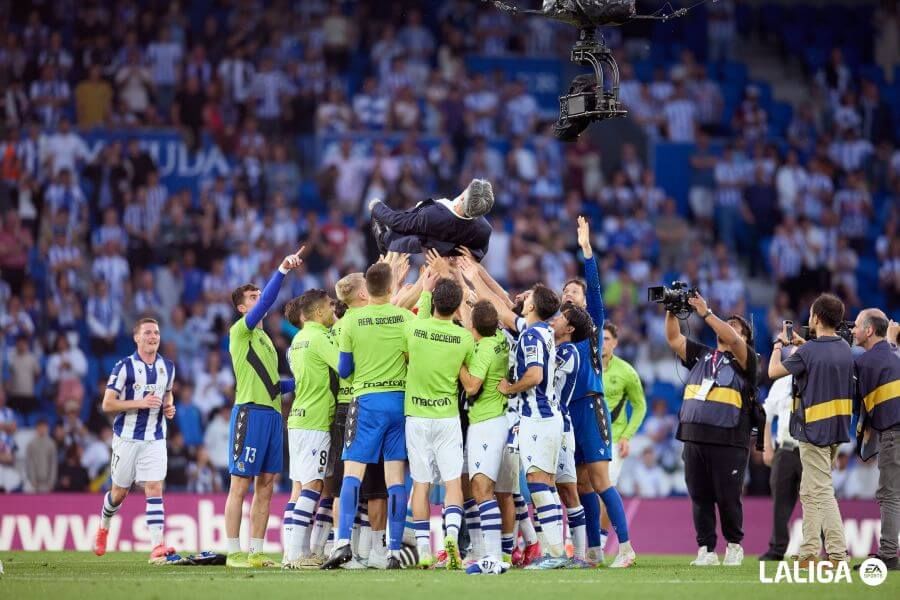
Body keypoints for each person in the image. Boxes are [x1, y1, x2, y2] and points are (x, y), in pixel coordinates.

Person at [323, 262, 413, 570]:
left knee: (352, 475)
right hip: (399, 403)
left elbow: (344, 370)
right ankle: (395, 551)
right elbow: (411, 358)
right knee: (395, 481)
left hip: (366, 403)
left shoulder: (350, 321)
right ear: (390, 288)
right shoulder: (404, 318)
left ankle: (343, 542)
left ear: (367, 290)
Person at [561, 217, 635, 568]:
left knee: (601, 480)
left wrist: (587, 251)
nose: (568, 295)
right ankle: (591, 550)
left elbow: (593, 289)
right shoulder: (554, 336)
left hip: (591, 409)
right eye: (565, 293)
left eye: (574, 293)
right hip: (567, 413)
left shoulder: (592, 329)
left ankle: (625, 548)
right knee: (582, 485)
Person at [224, 247, 303, 569]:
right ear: (243, 308)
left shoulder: (266, 339)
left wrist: (301, 383)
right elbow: (270, 301)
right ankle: (233, 552)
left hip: (272, 415)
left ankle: (255, 551)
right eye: (254, 297)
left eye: (260, 294)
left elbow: (273, 385)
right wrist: (282, 270)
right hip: (249, 412)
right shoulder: (240, 332)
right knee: (239, 484)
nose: (260, 299)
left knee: (267, 484)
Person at [666, 292, 758, 567]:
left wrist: (706, 313)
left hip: (728, 440)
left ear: (744, 338)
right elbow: (673, 339)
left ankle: (734, 545)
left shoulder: (747, 361)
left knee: (728, 497)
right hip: (693, 436)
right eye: (726, 323)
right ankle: (706, 549)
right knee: (699, 496)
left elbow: (732, 339)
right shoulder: (703, 355)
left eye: (735, 326)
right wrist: (671, 311)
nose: (728, 328)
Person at [768, 293, 853, 568]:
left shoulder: (808, 351)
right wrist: (805, 345)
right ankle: (808, 552)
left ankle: (838, 552)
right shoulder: (843, 347)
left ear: (815, 317)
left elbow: (772, 372)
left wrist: (779, 344)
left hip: (813, 429)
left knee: (821, 491)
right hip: (837, 429)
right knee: (809, 490)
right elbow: (821, 356)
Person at [403, 276, 474, 570]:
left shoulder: (414, 327)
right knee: (452, 482)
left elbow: (406, 355)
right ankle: (452, 538)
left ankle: (423, 549)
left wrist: (425, 288)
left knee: (421, 483)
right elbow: (468, 379)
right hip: (447, 418)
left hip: (417, 416)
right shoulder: (464, 338)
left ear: (432, 301)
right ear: (457, 306)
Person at [92, 317, 177, 564]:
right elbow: (107, 404)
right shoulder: (124, 367)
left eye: (157, 333)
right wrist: (140, 403)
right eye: (148, 332)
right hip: (127, 438)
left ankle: (157, 547)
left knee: (154, 487)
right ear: (136, 337)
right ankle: (104, 526)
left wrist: (169, 408)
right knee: (119, 493)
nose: (153, 337)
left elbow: (168, 394)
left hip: (155, 438)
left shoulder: (168, 367)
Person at [497, 285, 568, 569]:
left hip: (537, 419)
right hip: (550, 416)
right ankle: (557, 550)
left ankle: (555, 554)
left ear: (532, 307)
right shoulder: (545, 331)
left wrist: (510, 388)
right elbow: (505, 313)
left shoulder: (529, 335)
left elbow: (535, 375)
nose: (523, 299)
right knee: (547, 486)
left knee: (539, 486)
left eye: (528, 298)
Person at [283, 289, 338, 568]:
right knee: (313, 486)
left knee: (301, 487)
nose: (333, 309)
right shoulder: (318, 336)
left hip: (299, 417)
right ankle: (296, 555)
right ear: (318, 313)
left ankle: (293, 552)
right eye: (330, 305)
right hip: (316, 420)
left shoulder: (297, 340)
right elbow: (344, 365)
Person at [458, 300, 513, 566]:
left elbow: (471, 386)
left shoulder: (484, 349)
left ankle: (491, 552)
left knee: (482, 487)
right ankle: (482, 549)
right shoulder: (500, 337)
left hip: (487, 423)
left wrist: (456, 362)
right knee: (471, 483)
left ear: (474, 326)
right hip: (490, 420)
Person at [851, 308, 900, 570]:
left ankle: (889, 555)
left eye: (857, 326)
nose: (853, 330)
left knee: (890, 494)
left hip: (895, 433)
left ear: (869, 330)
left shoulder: (865, 361)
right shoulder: (893, 353)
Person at [549, 303, 594, 567]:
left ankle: (578, 554)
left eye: (561, 318)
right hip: (551, 426)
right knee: (556, 489)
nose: (555, 320)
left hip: (560, 428)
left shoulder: (569, 352)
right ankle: (564, 552)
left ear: (570, 329)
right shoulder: (558, 348)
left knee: (567, 490)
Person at [369, 178, 494, 260]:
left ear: (463, 198)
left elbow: (399, 223)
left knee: (384, 226)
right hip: (440, 245)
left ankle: (383, 242)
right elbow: (479, 254)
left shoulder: (433, 216)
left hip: (415, 247)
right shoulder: (484, 230)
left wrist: (376, 206)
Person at [600, 322, 647, 516]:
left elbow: (640, 406)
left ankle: (599, 544)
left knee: (605, 491)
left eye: (606, 339)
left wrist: (627, 436)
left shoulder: (627, 372)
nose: (601, 343)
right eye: (598, 339)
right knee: (576, 490)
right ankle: (571, 542)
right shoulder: (582, 367)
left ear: (615, 343)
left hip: (614, 438)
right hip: (584, 438)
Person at [759, 372, 802, 562]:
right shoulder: (782, 382)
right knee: (779, 502)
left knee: (820, 500)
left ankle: (833, 549)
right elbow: (765, 415)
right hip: (784, 448)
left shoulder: (819, 378)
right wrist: (766, 446)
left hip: (811, 450)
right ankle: (777, 549)